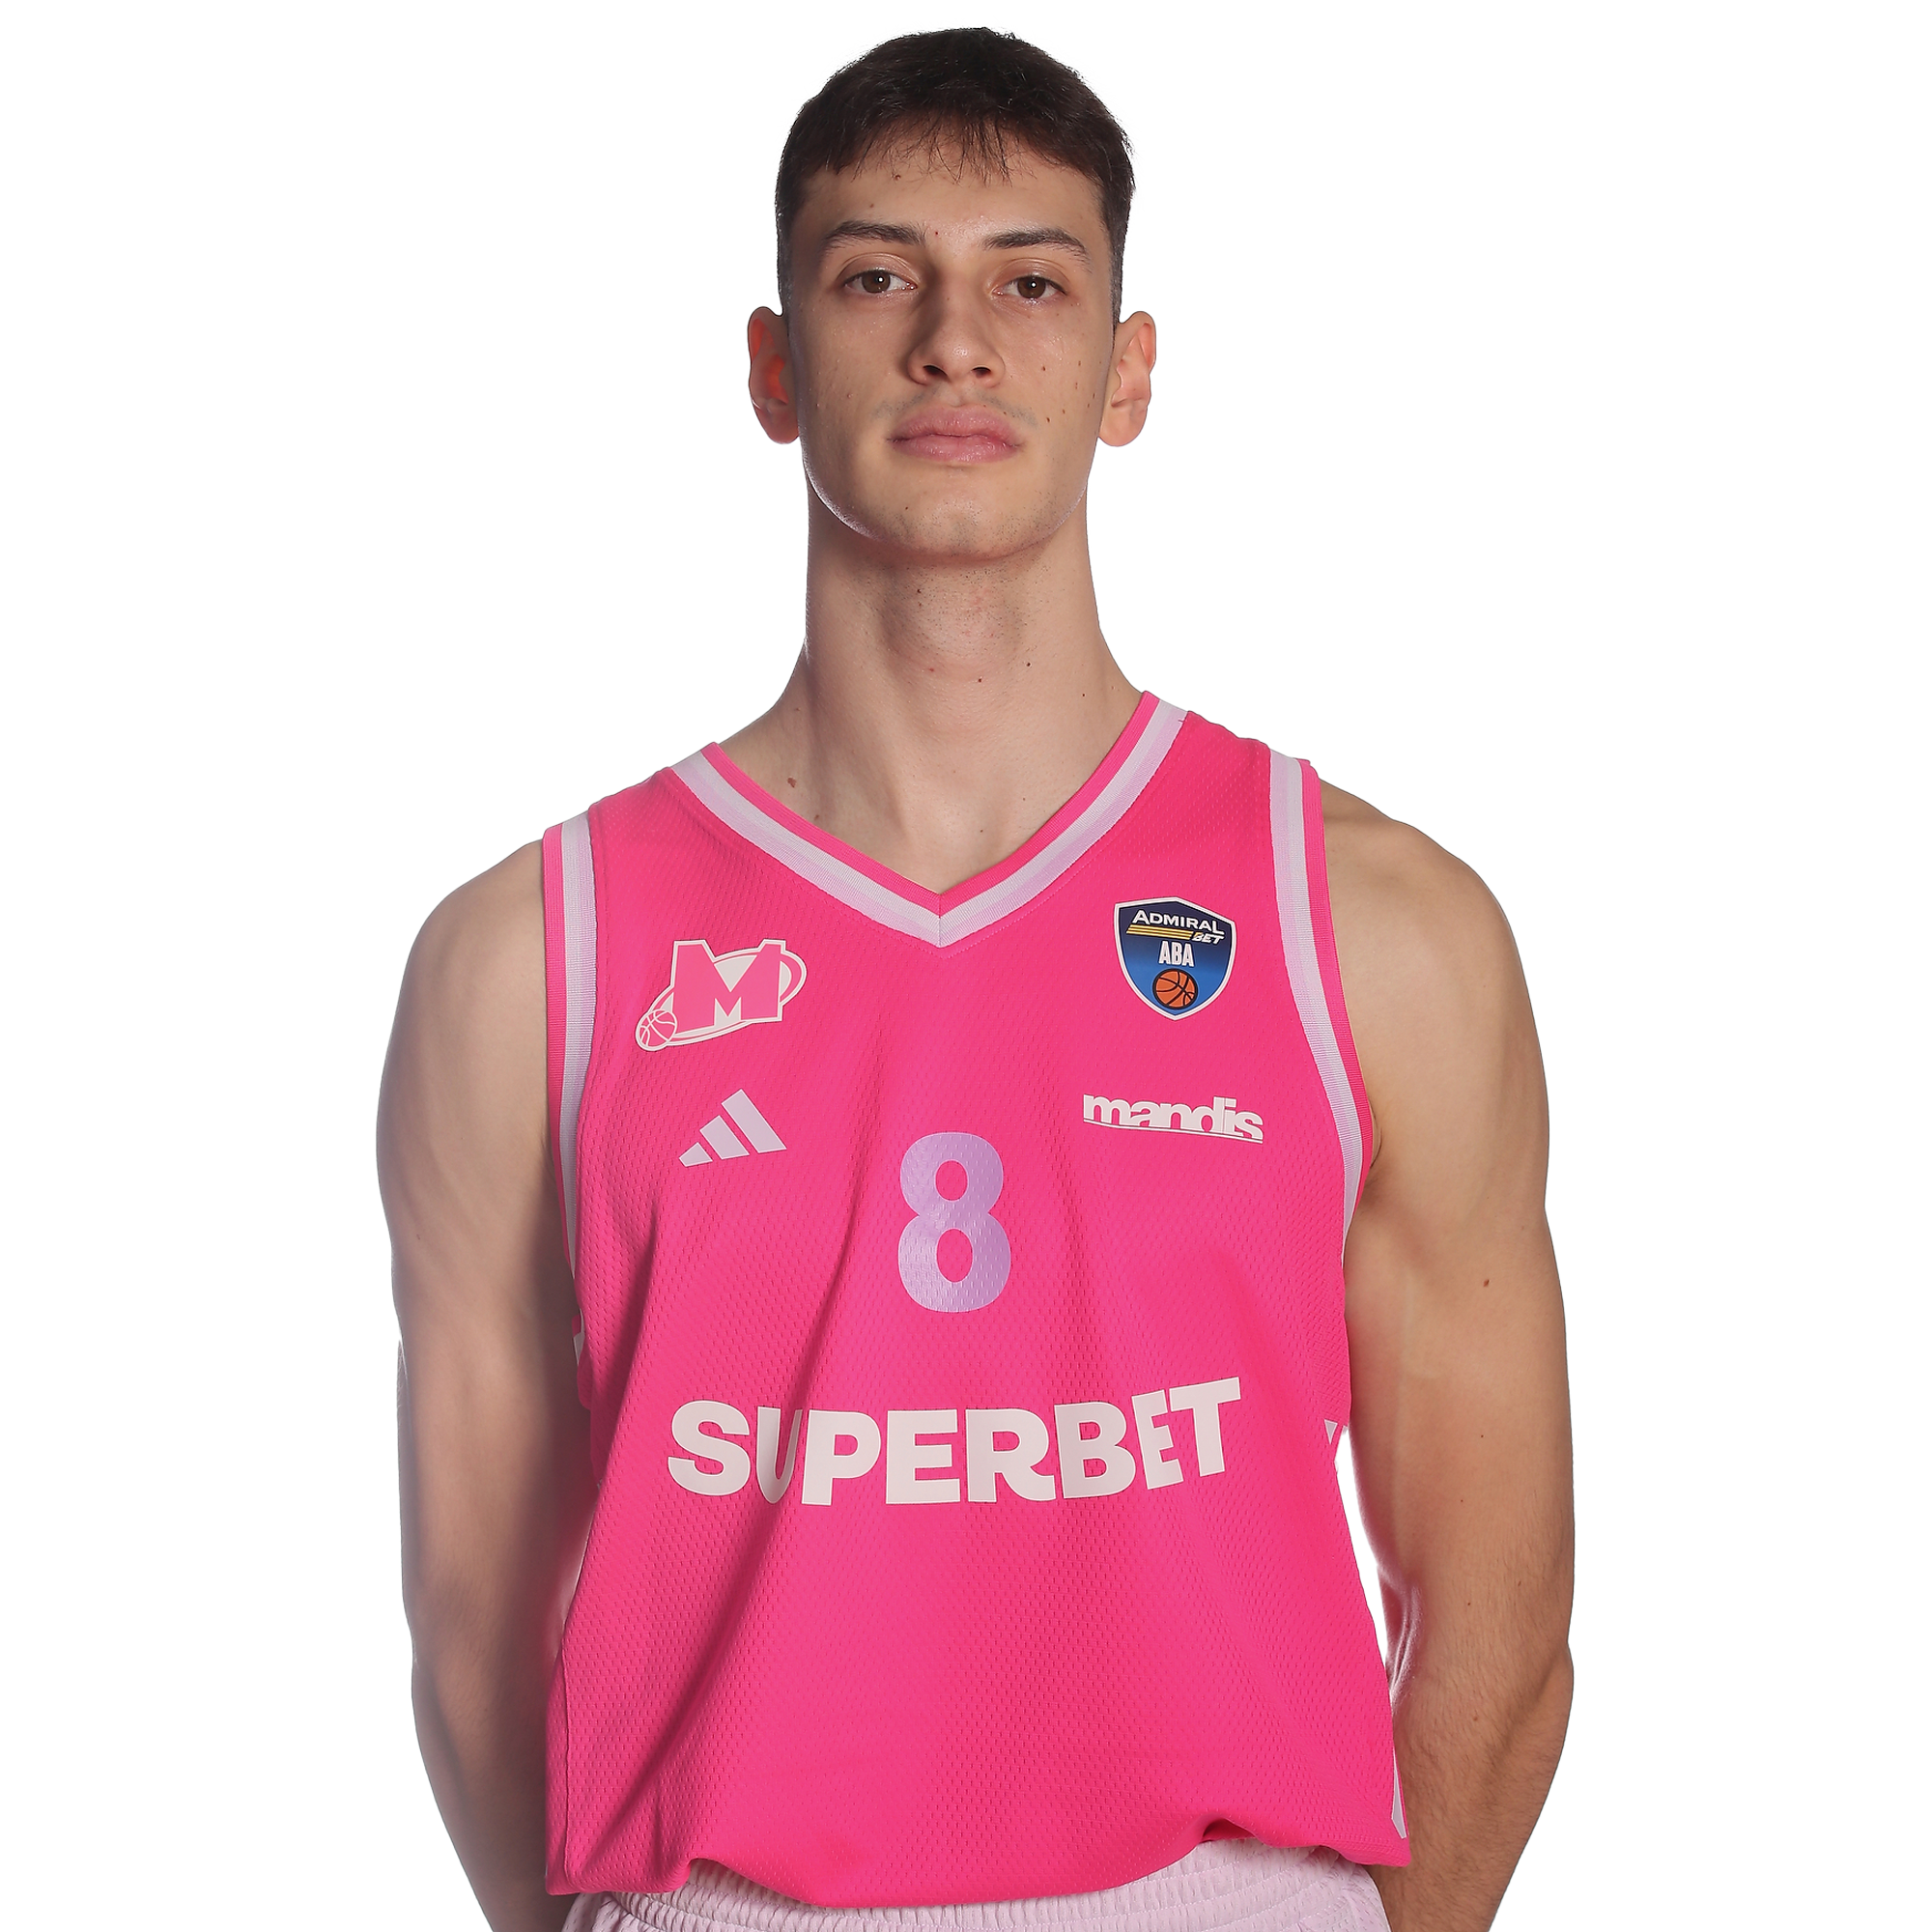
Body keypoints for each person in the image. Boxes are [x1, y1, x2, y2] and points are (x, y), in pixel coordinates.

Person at [379, 27, 1573, 1932]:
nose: (955, 342)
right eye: (877, 278)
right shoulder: (530, 961)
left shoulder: (1374, 928)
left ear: (1127, 370)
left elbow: (1498, 1619)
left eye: (1030, 282)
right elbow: (468, 1624)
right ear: (776, 366)